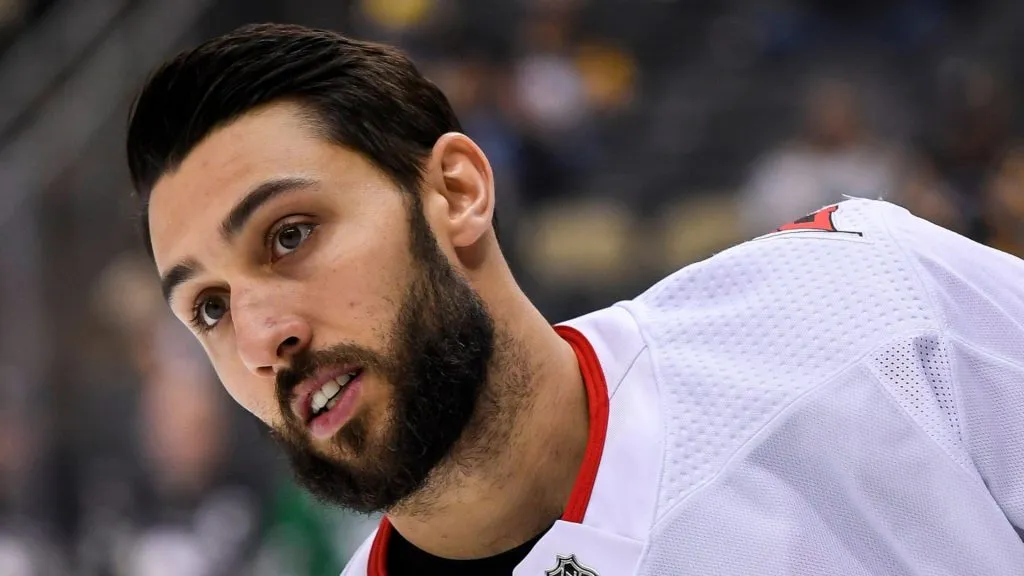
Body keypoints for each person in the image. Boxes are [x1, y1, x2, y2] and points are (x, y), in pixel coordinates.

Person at [125, 23, 1024, 576]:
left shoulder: (868, 305)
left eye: (290, 234)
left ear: (456, 194)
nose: (261, 338)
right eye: (209, 308)